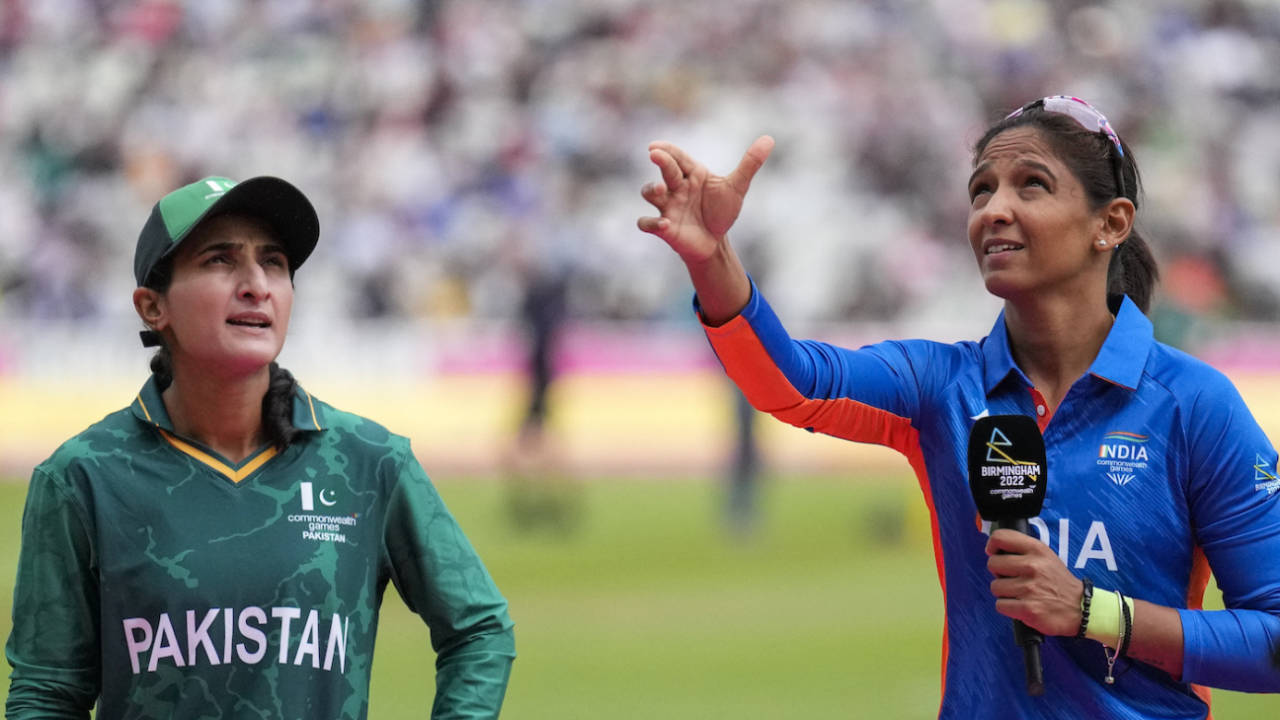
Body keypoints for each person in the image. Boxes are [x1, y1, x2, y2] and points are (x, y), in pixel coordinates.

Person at [637, 96, 1280, 717]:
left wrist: (1094, 612)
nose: (993, 210)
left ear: (1110, 223)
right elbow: (792, 382)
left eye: (1031, 185)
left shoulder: (1194, 406)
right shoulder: (941, 386)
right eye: (981, 190)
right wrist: (711, 257)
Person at [5, 176, 515, 719]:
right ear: (153, 307)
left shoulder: (369, 462)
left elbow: (479, 630)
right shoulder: (83, 477)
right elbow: (47, 693)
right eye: (220, 261)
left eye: (273, 262)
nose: (256, 285)